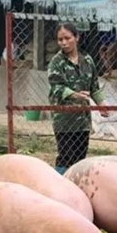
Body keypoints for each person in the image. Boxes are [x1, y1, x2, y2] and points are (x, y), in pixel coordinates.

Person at [47, 22, 102, 172]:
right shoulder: (56, 63)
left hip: (83, 120)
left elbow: (94, 85)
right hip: (64, 120)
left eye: (67, 38)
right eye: (60, 40)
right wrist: (74, 95)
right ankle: (60, 186)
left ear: (77, 37)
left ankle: (76, 189)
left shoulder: (87, 61)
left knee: (80, 158)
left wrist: (102, 105)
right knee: (65, 157)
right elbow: (56, 87)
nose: (63, 43)